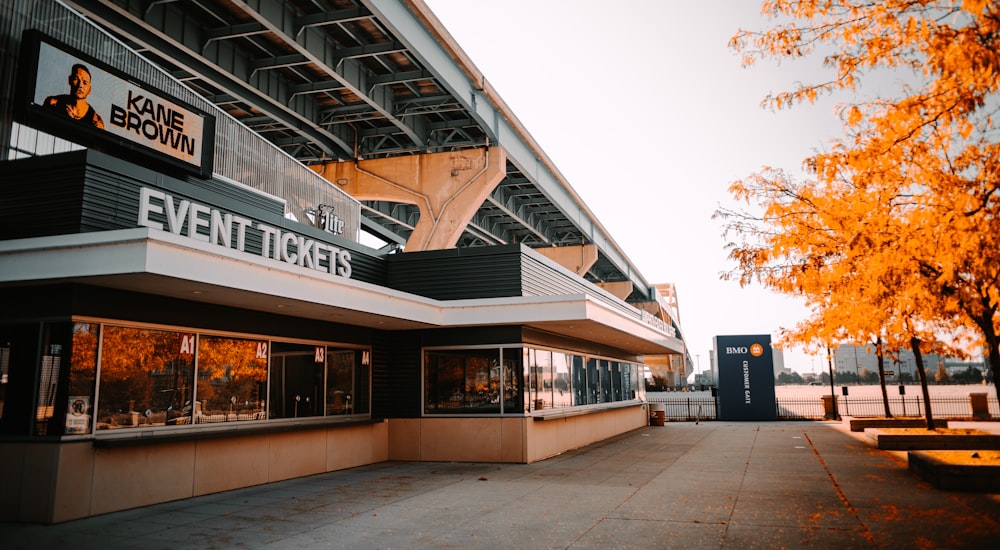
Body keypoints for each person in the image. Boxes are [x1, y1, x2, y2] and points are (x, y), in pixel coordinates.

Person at [42, 63, 105, 128]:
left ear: (89, 89)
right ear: (70, 80)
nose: (80, 85)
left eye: (85, 82)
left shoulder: (95, 121)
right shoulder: (53, 103)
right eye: (76, 79)